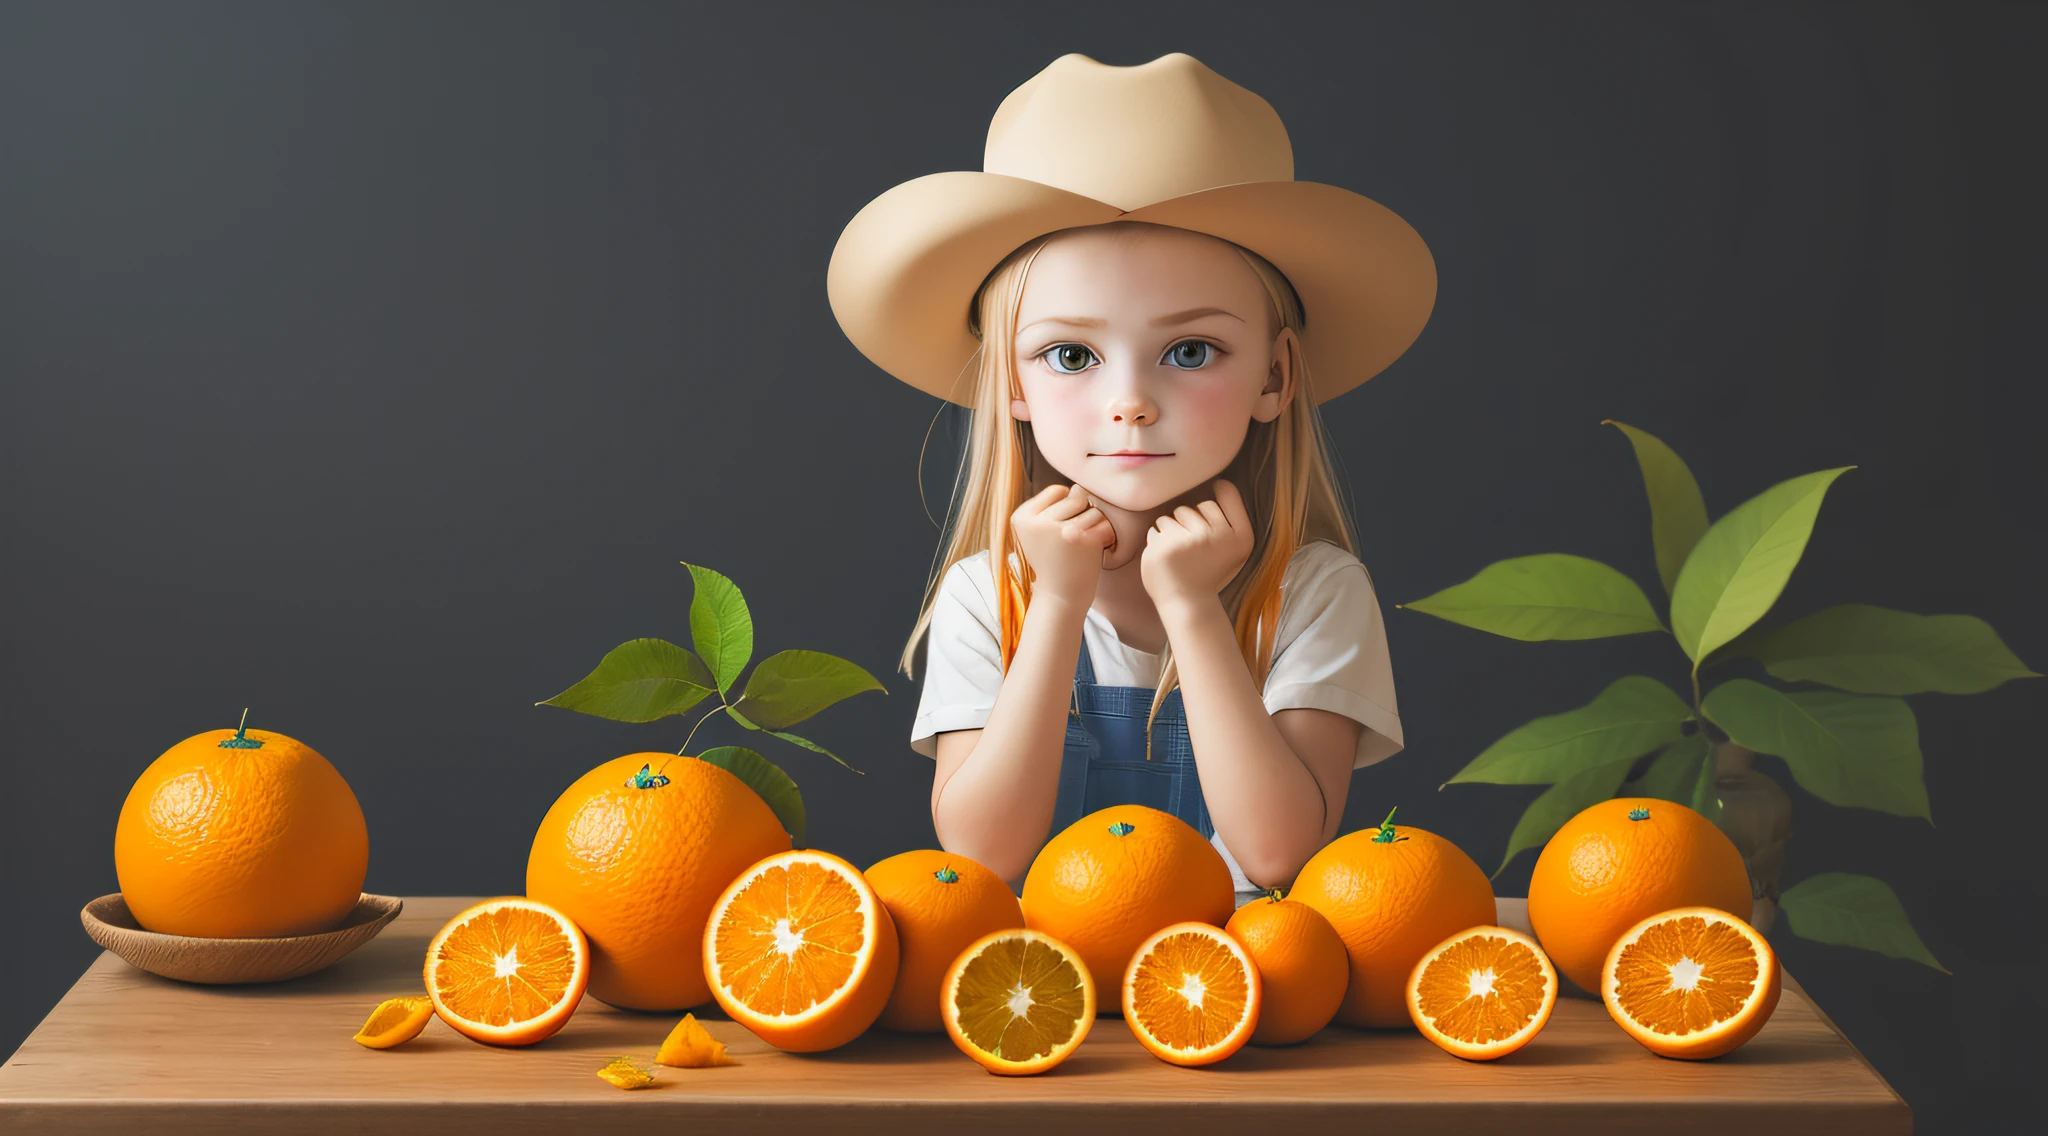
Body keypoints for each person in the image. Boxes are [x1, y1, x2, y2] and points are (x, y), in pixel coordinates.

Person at [826, 52, 1436, 907]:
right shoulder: (989, 594)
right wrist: (1057, 604)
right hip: (1043, 995)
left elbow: (1277, 856)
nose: (1132, 404)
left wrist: (1193, 607)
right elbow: (981, 854)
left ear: (1274, 376)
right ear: (1010, 380)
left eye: (1190, 352)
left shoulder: (1315, 592)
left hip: (1228, 995)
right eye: (1071, 355)